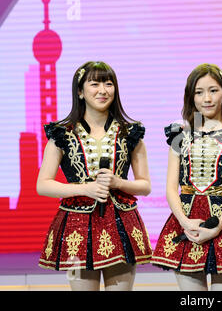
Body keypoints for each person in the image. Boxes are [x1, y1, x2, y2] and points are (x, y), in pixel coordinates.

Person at [37, 61, 152, 291]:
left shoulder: (130, 133)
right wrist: (84, 189)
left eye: (108, 84)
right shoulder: (62, 133)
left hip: (122, 225)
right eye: (94, 84)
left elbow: (145, 185)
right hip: (77, 228)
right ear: (80, 91)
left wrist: (119, 182)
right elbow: (43, 185)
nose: (103, 90)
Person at [150, 63, 222, 291]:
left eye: (213, 90)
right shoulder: (179, 134)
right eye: (199, 92)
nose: (207, 98)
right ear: (191, 97)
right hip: (186, 222)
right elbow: (171, 188)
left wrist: (216, 226)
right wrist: (184, 222)